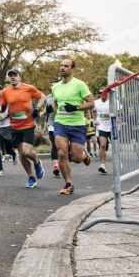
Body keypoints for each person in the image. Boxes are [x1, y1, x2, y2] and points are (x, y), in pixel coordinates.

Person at [51, 58, 94, 195]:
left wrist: (76, 107)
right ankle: (68, 184)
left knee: (76, 158)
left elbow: (91, 103)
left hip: (77, 124)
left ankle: (84, 154)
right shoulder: (55, 86)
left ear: (72, 68)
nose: (62, 68)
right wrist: (50, 109)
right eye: (61, 65)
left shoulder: (80, 85)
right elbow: (56, 104)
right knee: (62, 153)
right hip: (60, 123)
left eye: (66, 66)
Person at [0, 69, 47, 188]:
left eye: (15, 75)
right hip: (14, 126)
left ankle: (37, 162)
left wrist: (37, 109)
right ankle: (31, 177)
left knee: (26, 151)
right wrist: (3, 112)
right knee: (22, 155)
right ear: (8, 78)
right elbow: (3, 107)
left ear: (19, 77)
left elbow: (42, 97)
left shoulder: (28, 88)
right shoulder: (5, 92)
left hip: (28, 125)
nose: (13, 77)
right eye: (10, 75)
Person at [0, 84, 16, 177]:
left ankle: (13, 154)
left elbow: (13, 112)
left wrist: (5, 115)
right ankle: (0, 170)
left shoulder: (7, 100)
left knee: (9, 148)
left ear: (3, 91)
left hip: (6, 127)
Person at [44, 83, 61, 177]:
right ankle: (56, 166)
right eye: (52, 86)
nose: (53, 87)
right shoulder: (48, 97)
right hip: (51, 123)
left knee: (62, 146)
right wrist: (45, 124)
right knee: (54, 144)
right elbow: (47, 111)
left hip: (63, 122)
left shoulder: (63, 94)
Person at [94, 88, 111, 174]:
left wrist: (111, 113)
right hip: (101, 126)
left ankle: (118, 163)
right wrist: (95, 120)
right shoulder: (96, 102)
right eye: (101, 93)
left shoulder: (113, 101)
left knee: (115, 146)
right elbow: (94, 111)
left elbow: (121, 112)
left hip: (112, 126)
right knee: (103, 145)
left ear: (108, 93)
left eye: (104, 93)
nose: (102, 94)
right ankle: (102, 165)